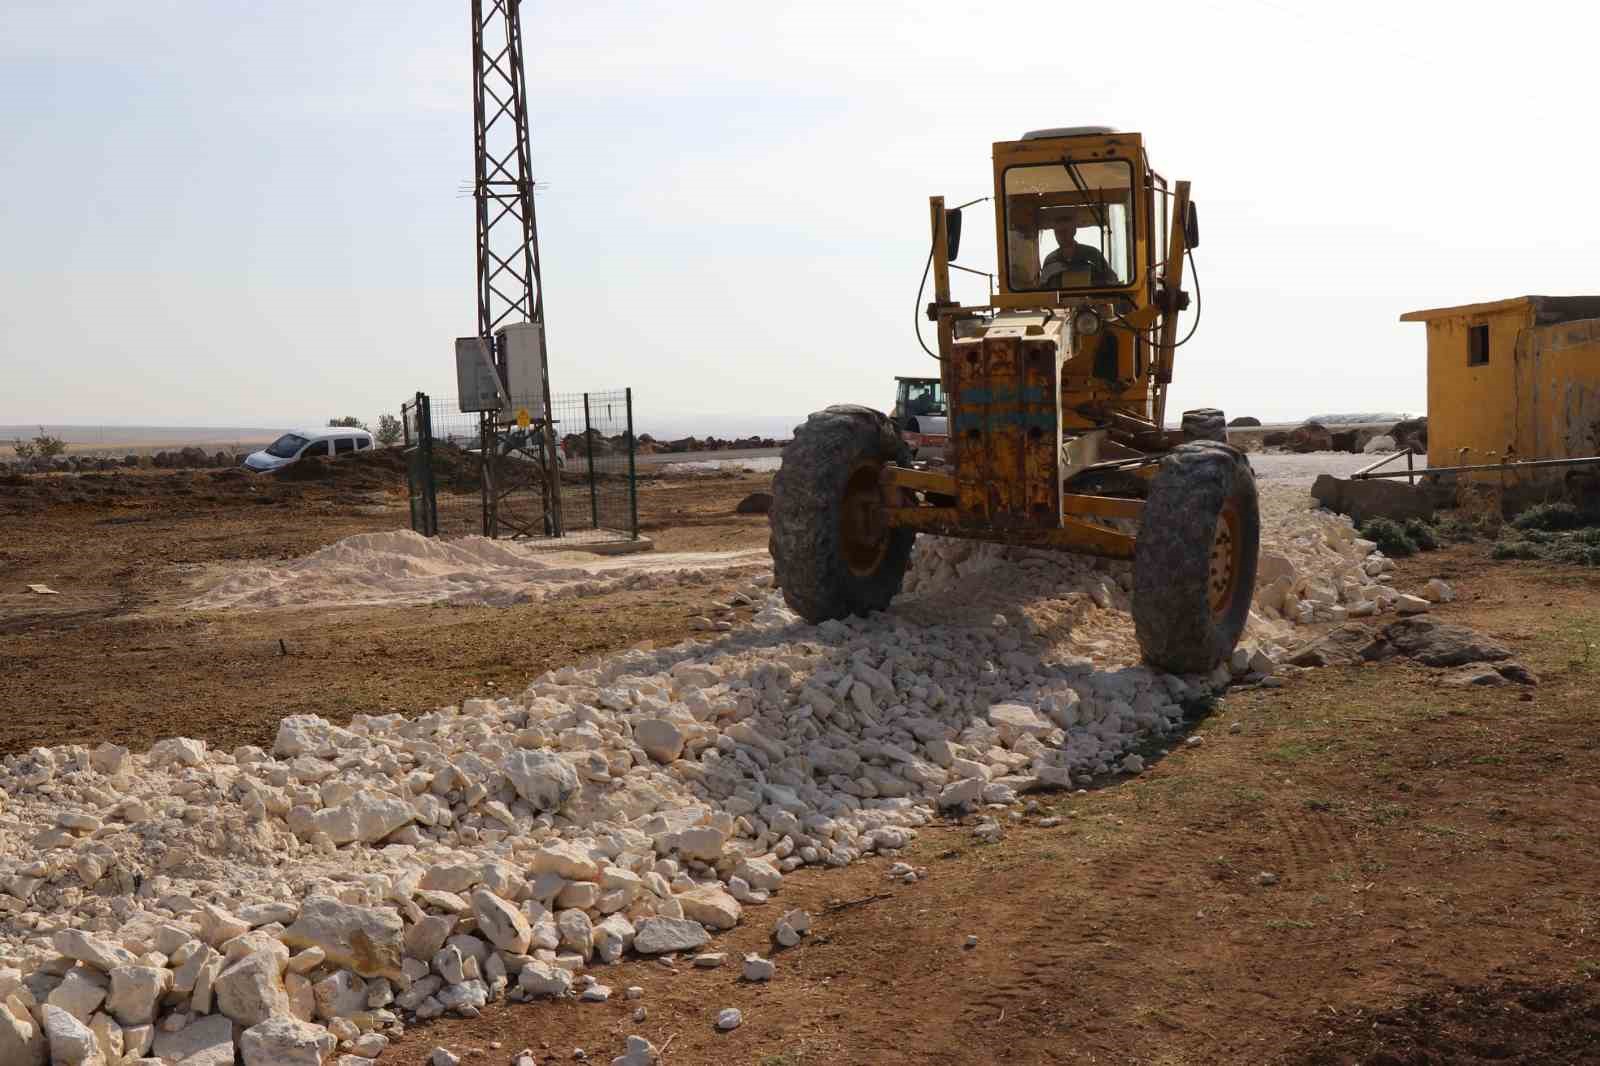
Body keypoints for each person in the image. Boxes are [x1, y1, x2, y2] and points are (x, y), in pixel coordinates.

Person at [1039, 208, 1114, 287]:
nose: (1061, 236)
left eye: (1064, 231)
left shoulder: (1093, 254)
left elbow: (1112, 280)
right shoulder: (1050, 260)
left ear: (1074, 231)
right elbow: (1043, 290)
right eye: (1057, 232)